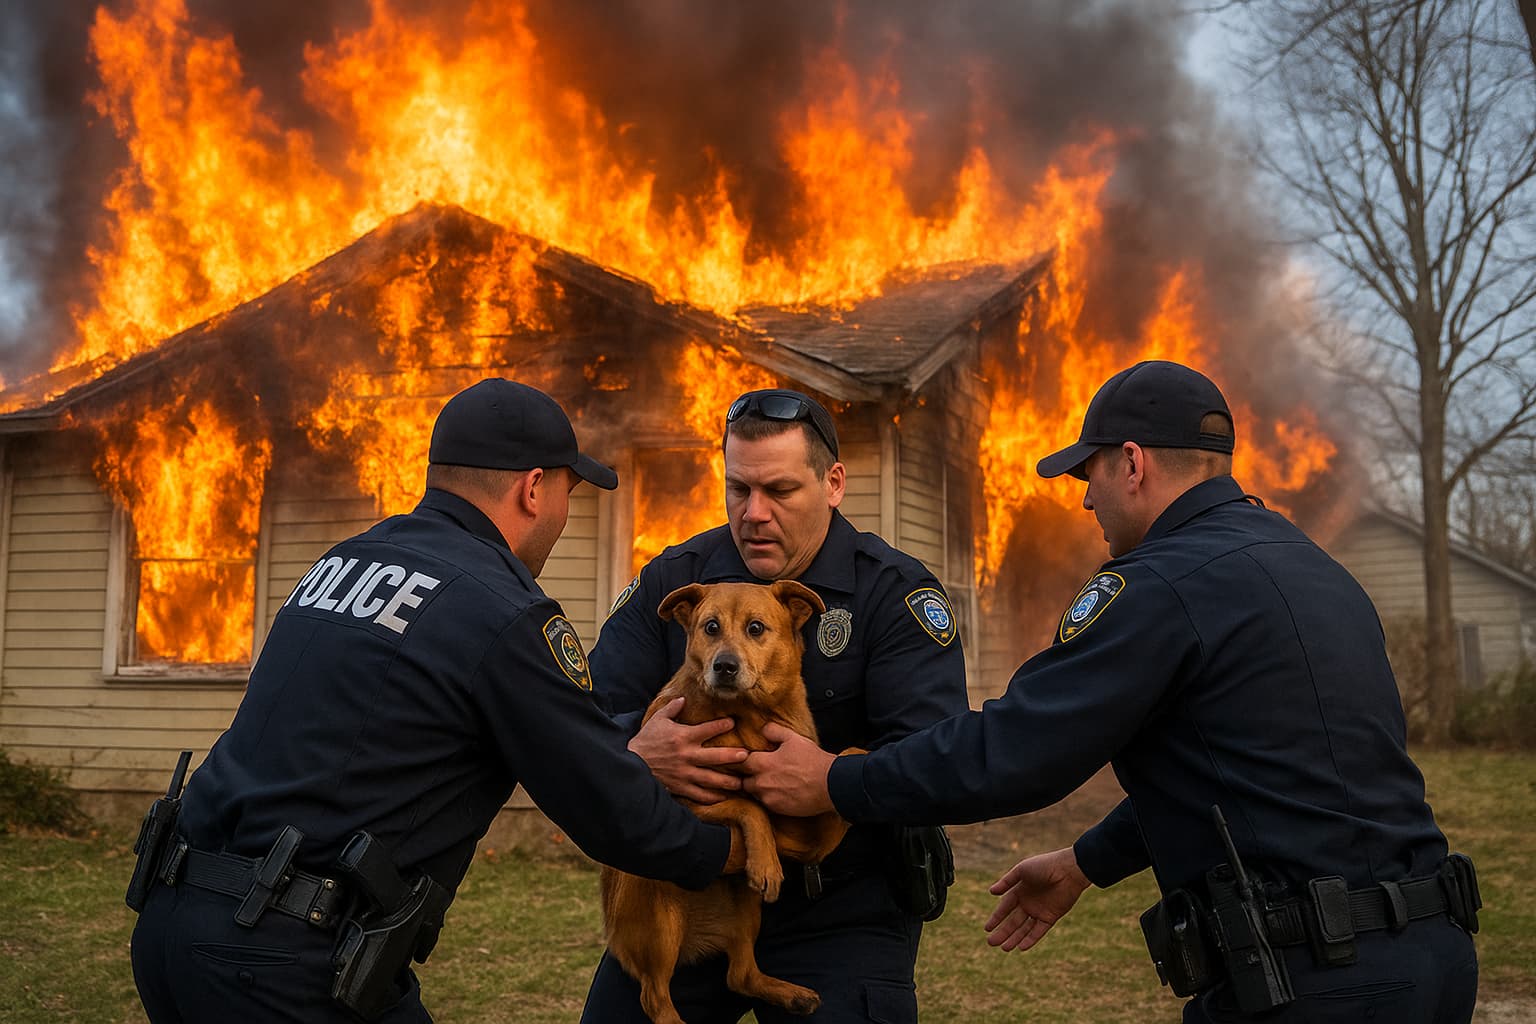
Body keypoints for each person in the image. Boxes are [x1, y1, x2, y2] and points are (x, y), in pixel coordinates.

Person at [744, 361, 1481, 1023]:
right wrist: (1085, 862)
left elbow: (1012, 752)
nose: (1087, 500)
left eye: (1088, 474)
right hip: (1434, 954)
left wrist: (837, 778)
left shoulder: (1158, 584)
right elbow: (1242, 773)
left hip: (1318, 982)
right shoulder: (1313, 569)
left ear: (1132, 464)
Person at [127, 378, 739, 1023]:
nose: (564, 514)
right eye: (568, 491)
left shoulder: (348, 561)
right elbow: (609, 810)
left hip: (176, 922)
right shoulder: (502, 610)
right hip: (283, 960)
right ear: (533, 489)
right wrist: (750, 852)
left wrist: (623, 755)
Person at [580, 388, 971, 1023]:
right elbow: (589, 713)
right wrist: (636, 750)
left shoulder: (892, 595)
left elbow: (936, 759)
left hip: (841, 912)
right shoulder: (676, 579)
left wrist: (834, 780)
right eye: (739, 489)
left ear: (834, 482)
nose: (754, 513)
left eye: (781, 491)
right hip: (687, 892)